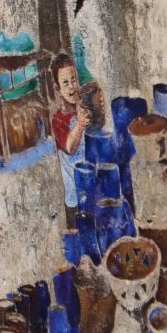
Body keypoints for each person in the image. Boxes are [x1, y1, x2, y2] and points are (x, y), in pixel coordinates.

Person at [48, 53, 101, 224]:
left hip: (92, 190)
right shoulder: (58, 120)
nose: (71, 87)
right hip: (75, 200)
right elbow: (70, 147)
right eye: (65, 83)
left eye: (73, 80)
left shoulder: (83, 109)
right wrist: (79, 124)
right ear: (58, 89)